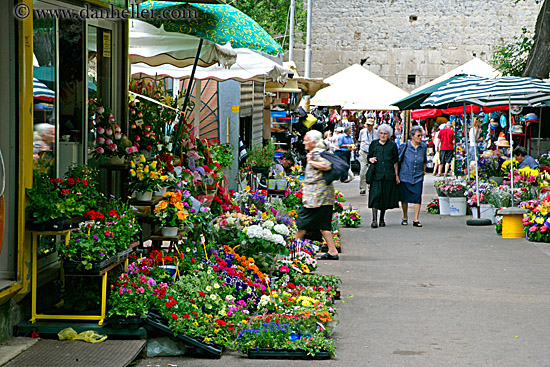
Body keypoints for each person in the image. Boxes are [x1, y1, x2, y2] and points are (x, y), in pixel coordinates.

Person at [295, 130, 339, 260]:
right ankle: (332, 250)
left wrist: (312, 162)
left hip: (316, 198)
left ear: (313, 142)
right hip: (322, 197)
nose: (303, 142)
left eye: (306, 140)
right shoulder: (316, 152)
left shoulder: (315, 153)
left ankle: (291, 249)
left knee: (302, 223)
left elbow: (327, 166)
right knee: (322, 225)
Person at [367, 124, 400, 228]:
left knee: (385, 198)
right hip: (376, 174)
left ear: (389, 135)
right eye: (381, 133)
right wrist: (371, 159)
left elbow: (395, 161)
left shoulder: (392, 145)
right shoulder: (374, 144)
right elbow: (369, 157)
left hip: (388, 175)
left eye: (385, 134)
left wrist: (396, 175)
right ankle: (374, 220)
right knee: (375, 196)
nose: (383, 135)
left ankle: (381, 219)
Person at [399, 126, 428, 227]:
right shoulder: (405, 146)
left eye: (421, 136)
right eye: (418, 136)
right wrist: (397, 176)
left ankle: (416, 219)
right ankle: (405, 216)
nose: (420, 138)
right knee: (404, 197)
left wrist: (423, 172)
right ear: (412, 136)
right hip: (405, 175)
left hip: (418, 175)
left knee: (417, 196)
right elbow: (398, 160)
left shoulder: (423, 147)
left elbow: (424, 160)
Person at [358, 118, 379, 195]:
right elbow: (360, 141)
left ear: (373, 125)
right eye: (367, 125)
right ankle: (362, 188)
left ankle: (371, 187)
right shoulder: (362, 132)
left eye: (370, 125)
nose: (368, 126)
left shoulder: (376, 133)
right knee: (363, 171)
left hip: (372, 153)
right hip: (364, 152)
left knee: (371, 171)